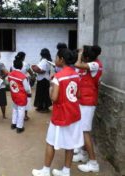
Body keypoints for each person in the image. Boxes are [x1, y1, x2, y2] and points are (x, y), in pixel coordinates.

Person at [32, 48, 84, 176]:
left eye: (56, 57)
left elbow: (54, 98)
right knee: (70, 144)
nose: (55, 60)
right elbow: (78, 94)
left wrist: (51, 88)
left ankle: (45, 170)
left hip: (61, 115)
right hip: (74, 114)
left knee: (50, 142)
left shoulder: (58, 77)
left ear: (61, 60)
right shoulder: (76, 74)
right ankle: (66, 171)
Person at [73, 45, 103, 173]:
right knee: (81, 129)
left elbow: (77, 65)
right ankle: (83, 154)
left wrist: (79, 55)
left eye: (83, 55)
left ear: (86, 57)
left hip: (88, 102)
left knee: (85, 132)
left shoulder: (95, 64)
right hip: (82, 100)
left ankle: (93, 163)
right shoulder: (89, 64)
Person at [8, 59, 31, 133]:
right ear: (21, 67)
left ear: (14, 66)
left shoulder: (10, 74)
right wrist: (28, 93)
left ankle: (13, 124)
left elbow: (10, 83)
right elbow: (27, 89)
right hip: (21, 96)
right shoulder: (22, 76)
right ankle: (19, 127)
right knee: (21, 111)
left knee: (15, 109)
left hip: (14, 94)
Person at [10, 52, 34, 120]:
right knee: (26, 98)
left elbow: (11, 72)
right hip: (24, 82)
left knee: (16, 97)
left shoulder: (12, 64)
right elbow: (31, 73)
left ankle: (17, 114)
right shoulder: (26, 64)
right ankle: (25, 115)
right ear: (23, 57)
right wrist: (32, 77)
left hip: (15, 83)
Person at [31, 48, 52, 112]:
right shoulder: (47, 61)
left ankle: (43, 108)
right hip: (45, 79)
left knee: (42, 94)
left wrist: (34, 68)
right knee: (44, 94)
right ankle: (42, 107)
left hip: (42, 79)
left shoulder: (44, 61)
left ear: (42, 54)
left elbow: (42, 71)